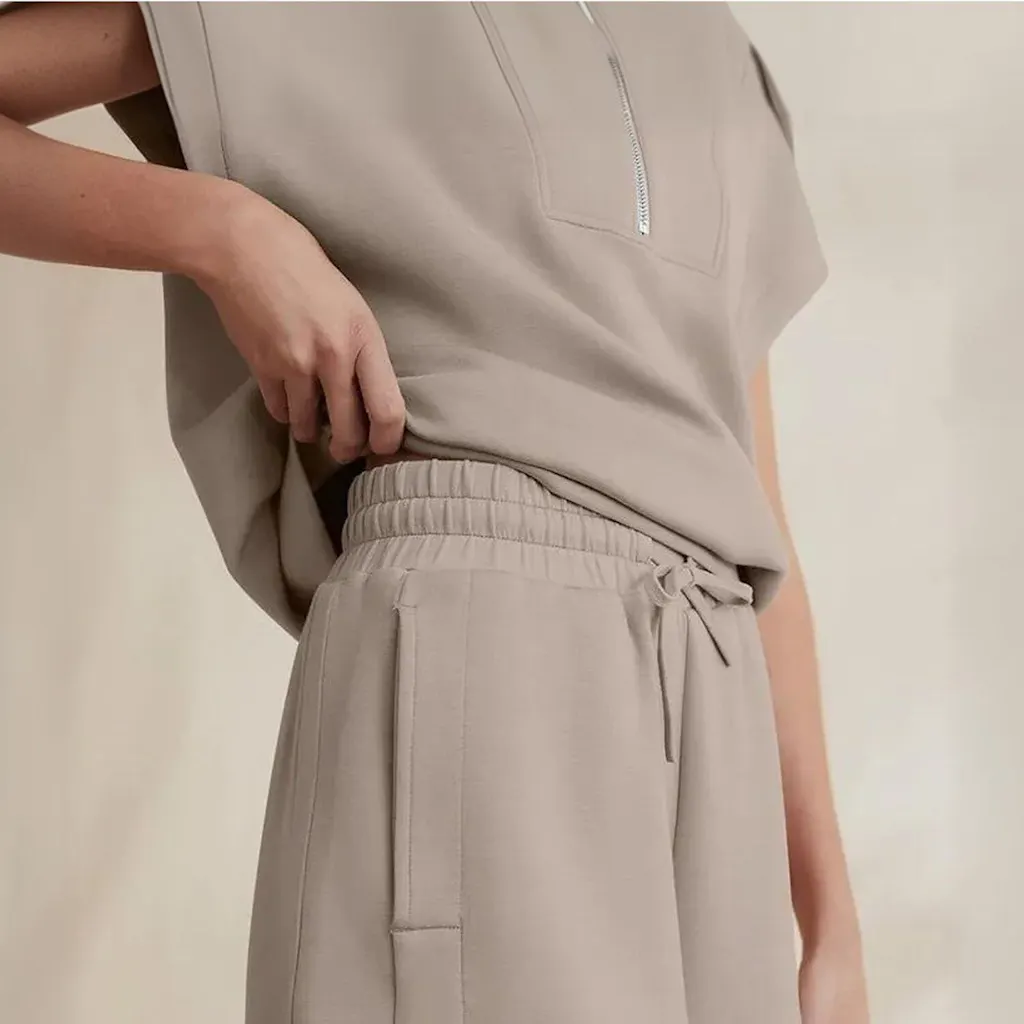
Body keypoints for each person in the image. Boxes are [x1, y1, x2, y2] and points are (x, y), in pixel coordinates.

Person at [0, 2, 870, 1022]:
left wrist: (830, 919)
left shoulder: (719, 57)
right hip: (481, 642)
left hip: (717, 696)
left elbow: (752, 503)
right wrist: (225, 235)